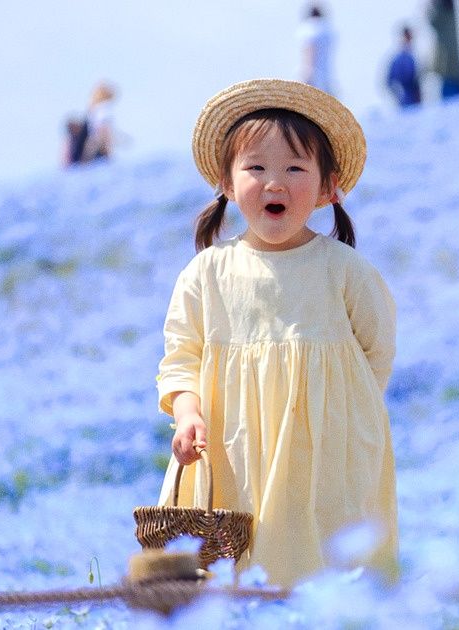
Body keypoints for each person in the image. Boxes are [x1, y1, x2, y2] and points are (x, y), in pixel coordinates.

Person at [155, 79, 397, 588]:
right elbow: (181, 358)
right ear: (226, 181)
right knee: (236, 574)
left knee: (326, 566)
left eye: (294, 168)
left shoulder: (345, 270)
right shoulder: (206, 273)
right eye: (256, 167)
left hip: (328, 458)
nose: (274, 182)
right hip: (230, 452)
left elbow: (376, 352)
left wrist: (340, 414)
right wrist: (188, 412)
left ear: (329, 186)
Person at [427, 0, 459, 100]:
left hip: (449, 70)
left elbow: (434, 22)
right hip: (453, 69)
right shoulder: (449, 10)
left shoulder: (445, 10)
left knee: (452, 104)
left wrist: (432, 6)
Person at [297, 5, 336, 95]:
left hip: (313, 76)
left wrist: (306, 75)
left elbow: (309, 51)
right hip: (327, 77)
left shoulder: (309, 29)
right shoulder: (328, 30)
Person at [386, 25, 422, 109]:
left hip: (417, 99)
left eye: (410, 37)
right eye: (407, 37)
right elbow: (389, 81)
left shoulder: (415, 55)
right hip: (406, 100)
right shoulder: (398, 59)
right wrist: (398, 92)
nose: (409, 39)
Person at [83, 82, 116, 162]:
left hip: (95, 144)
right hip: (100, 146)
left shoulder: (94, 111)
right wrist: (107, 151)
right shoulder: (103, 109)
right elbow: (102, 130)